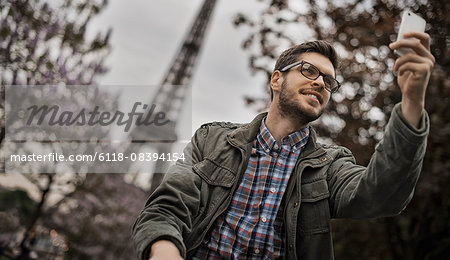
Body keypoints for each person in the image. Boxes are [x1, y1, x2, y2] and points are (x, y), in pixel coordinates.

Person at [132, 32, 434, 260]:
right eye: (308, 70)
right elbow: (168, 207)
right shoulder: (211, 140)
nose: (320, 83)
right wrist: (165, 252)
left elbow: (381, 195)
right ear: (277, 80)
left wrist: (412, 101)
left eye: (329, 81)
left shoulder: (329, 167)